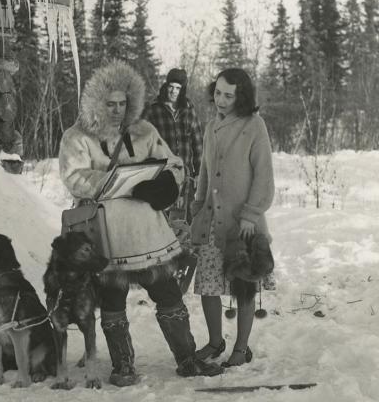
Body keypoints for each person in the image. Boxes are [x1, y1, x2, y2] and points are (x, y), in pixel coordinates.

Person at [58, 60, 223, 387]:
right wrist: (114, 181)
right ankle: (123, 366)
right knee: (112, 299)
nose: (118, 110)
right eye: (111, 104)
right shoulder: (77, 136)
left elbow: (174, 163)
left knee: (168, 291)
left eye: (123, 103)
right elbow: (73, 176)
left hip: (147, 231)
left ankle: (187, 359)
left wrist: (166, 184)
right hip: (105, 232)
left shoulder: (144, 131)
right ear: (96, 102)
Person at [190, 68, 275, 368]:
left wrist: (252, 214)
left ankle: (241, 348)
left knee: (243, 285)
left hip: (243, 224)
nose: (221, 100)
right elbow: (204, 170)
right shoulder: (212, 125)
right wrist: (198, 206)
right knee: (208, 285)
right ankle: (215, 342)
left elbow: (264, 175)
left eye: (229, 95)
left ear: (241, 96)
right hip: (213, 219)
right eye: (217, 93)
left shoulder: (254, 125)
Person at [143, 68, 203, 224]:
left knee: (186, 218)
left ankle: (186, 246)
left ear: (182, 89)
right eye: (171, 86)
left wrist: (199, 171)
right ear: (166, 85)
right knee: (163, 220)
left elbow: (197, 143)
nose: (174, 91)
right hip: (163, 175)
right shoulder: (154, 109)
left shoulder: (189, 109)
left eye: (178, 88)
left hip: (186, 175)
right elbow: (143, 143)